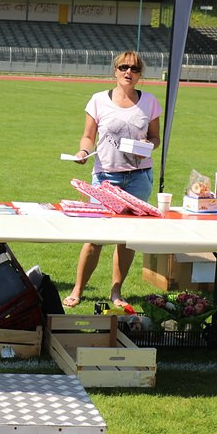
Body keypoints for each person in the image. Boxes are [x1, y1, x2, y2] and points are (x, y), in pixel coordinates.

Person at [63, 51, 161, 309]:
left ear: (140, 74)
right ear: (115, 71)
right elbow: (87, 136)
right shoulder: (98, 101)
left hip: (139, 178)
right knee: (95, 237)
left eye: (135, 69)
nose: (129, 72)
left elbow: (155, 138)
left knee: (126, 238)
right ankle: (78, 289)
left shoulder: (149, 102)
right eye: (124, 67)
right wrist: (83, 152)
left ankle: (116, 291)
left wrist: (147, 144)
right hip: (105, 176)